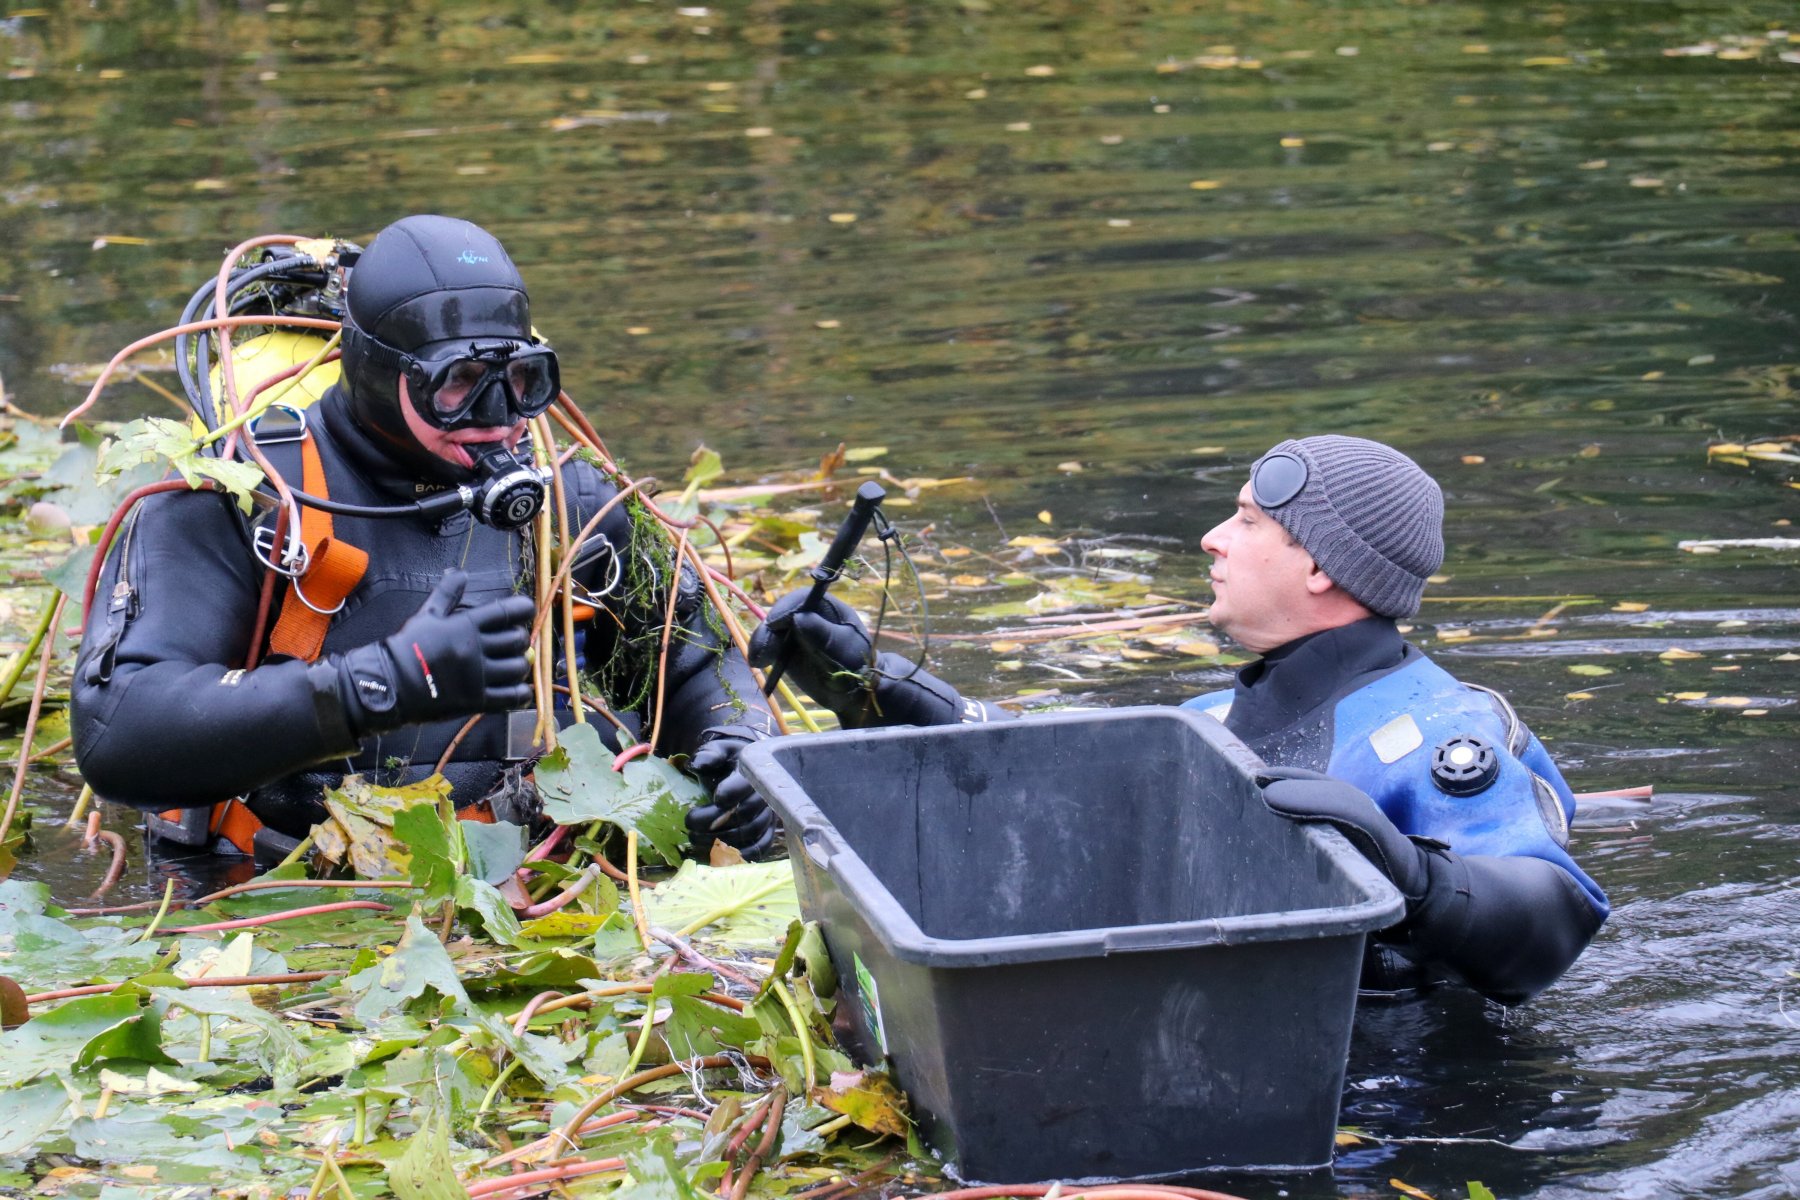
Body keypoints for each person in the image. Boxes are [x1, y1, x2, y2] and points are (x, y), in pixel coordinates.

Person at [737, 435, 1609, 1004]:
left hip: (1403, 1112)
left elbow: (1557, 915)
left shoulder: (1443, 732)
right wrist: (869, 686)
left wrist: (1412, 875)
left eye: (1247, 520)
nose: (1213, 539)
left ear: (1320, 567)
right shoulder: (1214, 715)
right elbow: (1058, 771)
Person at [71, 215, 776, 859]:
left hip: (531, 887)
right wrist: (381, 684)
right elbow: (117, 736)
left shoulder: (573, 507)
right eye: (458, 383)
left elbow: (693, 665)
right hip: (275, 894)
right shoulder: (246, 497)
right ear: (376, 371)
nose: (497, 416)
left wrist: (742, 751)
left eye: (521, 379)